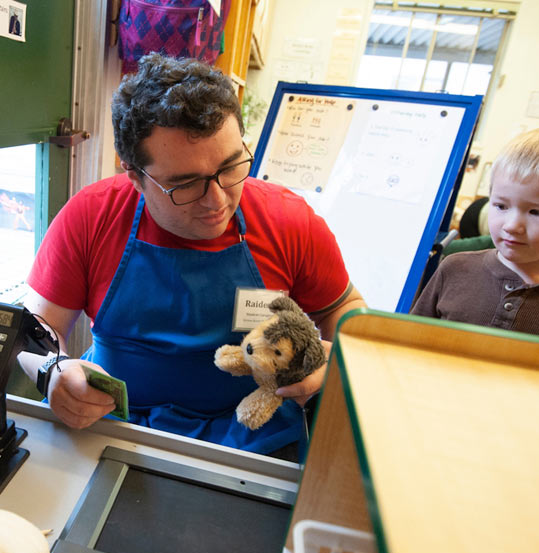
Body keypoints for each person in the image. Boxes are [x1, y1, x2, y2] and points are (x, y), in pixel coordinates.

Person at [17, 52, 366, 459]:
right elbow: (33, 331)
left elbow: (347, 308)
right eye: (185, 184)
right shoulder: (92, 216)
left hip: (252, 438)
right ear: (134, 176)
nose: (217, 201)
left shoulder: (288, 221)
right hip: (110, 427)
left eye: (231, 166)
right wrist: (53, 372)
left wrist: (340, 353)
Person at [411, 124, 539, 344]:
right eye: (501, 206)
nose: (511, 226)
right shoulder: (453, 269)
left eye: (536, 212)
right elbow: (409, 343)